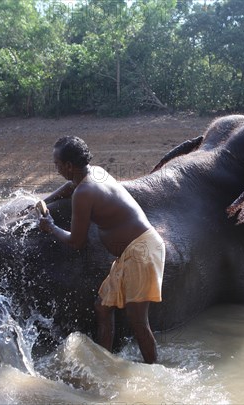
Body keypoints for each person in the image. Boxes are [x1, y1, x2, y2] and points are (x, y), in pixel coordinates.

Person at [34, 136, 165, 364]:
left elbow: (76, 242)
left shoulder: (84, 193)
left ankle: (155, 373)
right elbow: (70, 186)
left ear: (69, 166)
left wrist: (51, 227)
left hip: (142, 251)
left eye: (56, 164)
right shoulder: (94, 172)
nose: (56, 169)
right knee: (102, 307)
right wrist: (47, 200)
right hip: (131, 253)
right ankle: (105, 362)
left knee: (138, 322)